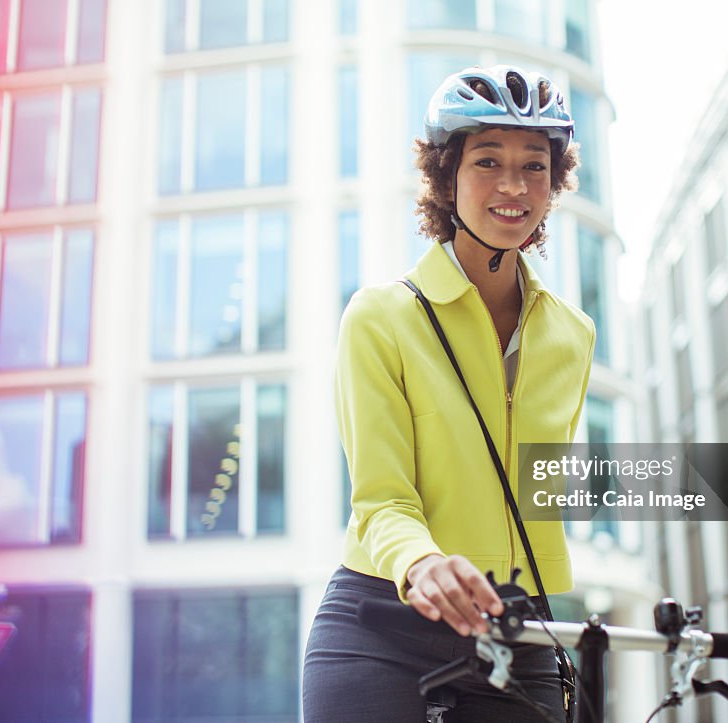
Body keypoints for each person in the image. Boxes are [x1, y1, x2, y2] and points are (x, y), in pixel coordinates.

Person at [302, 65, 596, 722]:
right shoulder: (380, 317)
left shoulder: (572, 336)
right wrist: (425, 561)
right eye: (487, 160)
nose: (514, 185)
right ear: (445, 176)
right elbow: (381, 500)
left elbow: (536, 498)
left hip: (518, 634)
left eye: (535, 166)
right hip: (384, 628)